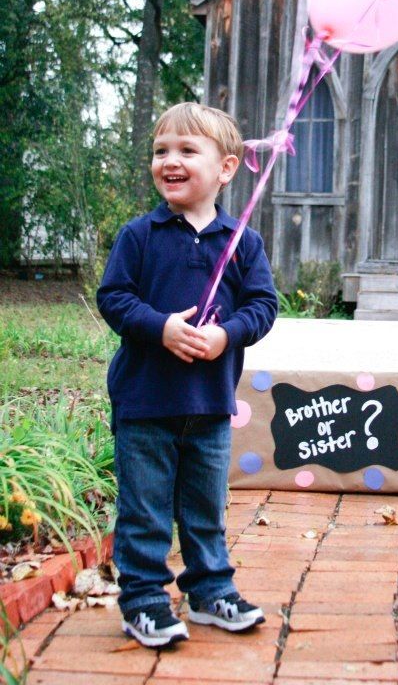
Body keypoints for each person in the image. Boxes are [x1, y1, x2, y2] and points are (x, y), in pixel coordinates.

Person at [97, 102, 278, 648]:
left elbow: (263, 304)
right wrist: (160, 328)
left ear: (226, 169)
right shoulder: (140, 235)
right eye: (160, 151)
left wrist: (227, 335)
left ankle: (209, 591)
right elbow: (114, 298)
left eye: (185, 150)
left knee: (204, 510)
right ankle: (146, 600)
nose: (168, 161)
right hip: (145, 404)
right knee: (145, 511)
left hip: (209, 405)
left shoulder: (241, 241)